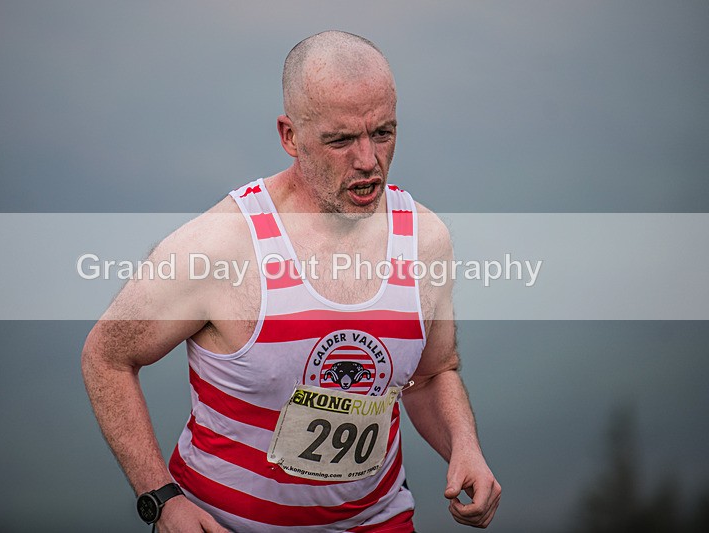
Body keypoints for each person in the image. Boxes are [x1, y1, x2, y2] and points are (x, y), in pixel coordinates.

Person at [82, 30, 500, 532]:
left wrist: (465, 447)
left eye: (383, 133)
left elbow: (430, 375)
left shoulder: (424, 239)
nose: (368, 161)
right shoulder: (221, 246)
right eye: (341, 140)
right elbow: (106, 356)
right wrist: (160, 498)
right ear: (290, 136)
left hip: (378, 520)